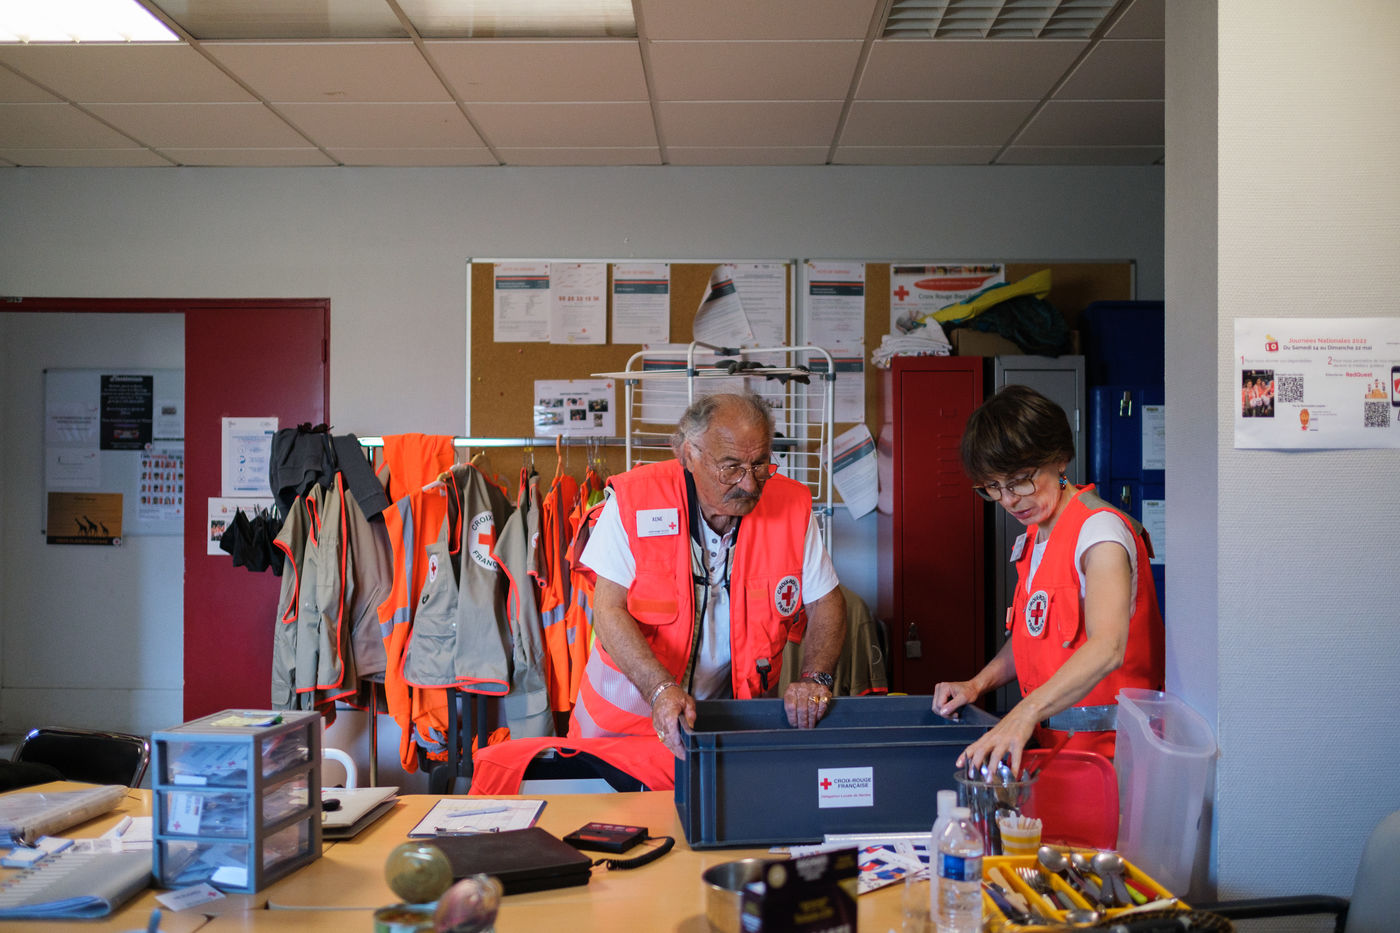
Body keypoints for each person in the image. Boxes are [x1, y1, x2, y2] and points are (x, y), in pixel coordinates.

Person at [570, 392, 846, 759]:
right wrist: (658, 689)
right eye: (731, 467)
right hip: (622, 728)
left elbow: (826, 601)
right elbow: (608, 610)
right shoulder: (636, 499)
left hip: (728, 724)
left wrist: (815, 677)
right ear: (688, 453)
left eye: (760, 465)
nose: (749, 484)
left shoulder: (790, 505)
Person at [933, 384, 1163, 775]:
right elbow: (1033, 639)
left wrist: (1024, 713)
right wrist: (977, 685)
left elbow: (1108, 647)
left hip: (1112, 761)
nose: (1008, 499)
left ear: (1059, 459)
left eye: (1020, 480)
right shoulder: (1036, 536)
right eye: (993, 487)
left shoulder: (1100, 533)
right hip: (1059, 752)